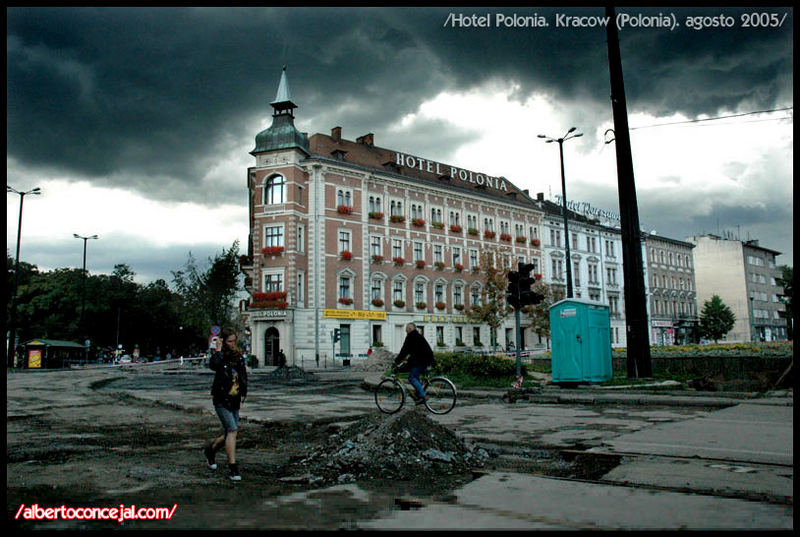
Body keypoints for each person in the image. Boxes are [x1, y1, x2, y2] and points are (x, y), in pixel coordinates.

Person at [203, 328, 248, 481]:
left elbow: (243, 375)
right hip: (221, 399)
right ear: (223, 341)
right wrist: (218, 350)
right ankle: (233, 468)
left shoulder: (238, 356)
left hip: (234, 399)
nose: (233, 344)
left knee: (230, 432)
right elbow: (213, 365)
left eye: (234, 340)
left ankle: (211, 450)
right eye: (229, 341)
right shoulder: (220, 357)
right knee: (232, 430)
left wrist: (243, 392)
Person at [394, 323, 434, 405]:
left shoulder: (411, 336)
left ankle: (423, 396)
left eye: (406, 328)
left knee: (412, 378)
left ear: (409, 328)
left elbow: (404, 350)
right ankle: (418, 395)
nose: (405, 330)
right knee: (416, 377)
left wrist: (397, 361)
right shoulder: (418, 335)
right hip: (426, 360)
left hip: (420, 361)